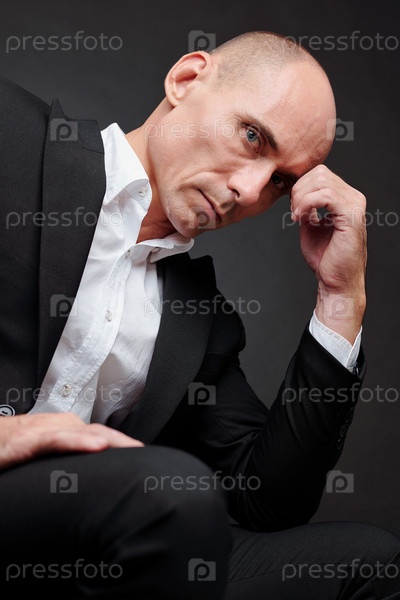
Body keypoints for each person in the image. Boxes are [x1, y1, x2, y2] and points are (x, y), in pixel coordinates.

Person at [0, 29, 399, 599]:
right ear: (186, 79)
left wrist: (342, 296)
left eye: (280, 182)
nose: (250, 191)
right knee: (174, 491)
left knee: (371, 561)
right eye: (253, 136)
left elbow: (266, 502)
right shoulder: (12, 135)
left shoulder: (200, 321)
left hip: (86, 546)